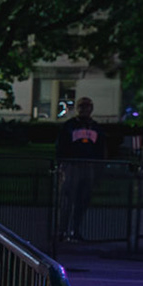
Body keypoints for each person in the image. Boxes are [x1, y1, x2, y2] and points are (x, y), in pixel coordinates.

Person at [55, 96, 104, 241]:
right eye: (82, 106)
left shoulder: (95, 127)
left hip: (89, 166)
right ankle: (62, 231)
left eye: (87, 106)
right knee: (67, 199)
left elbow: (100, 148)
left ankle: (75, 230)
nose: (84, 109)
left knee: (83, 200)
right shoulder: (69, 125)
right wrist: (62, 163)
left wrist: (99, 167)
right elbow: (61, 145)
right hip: (72, 165)